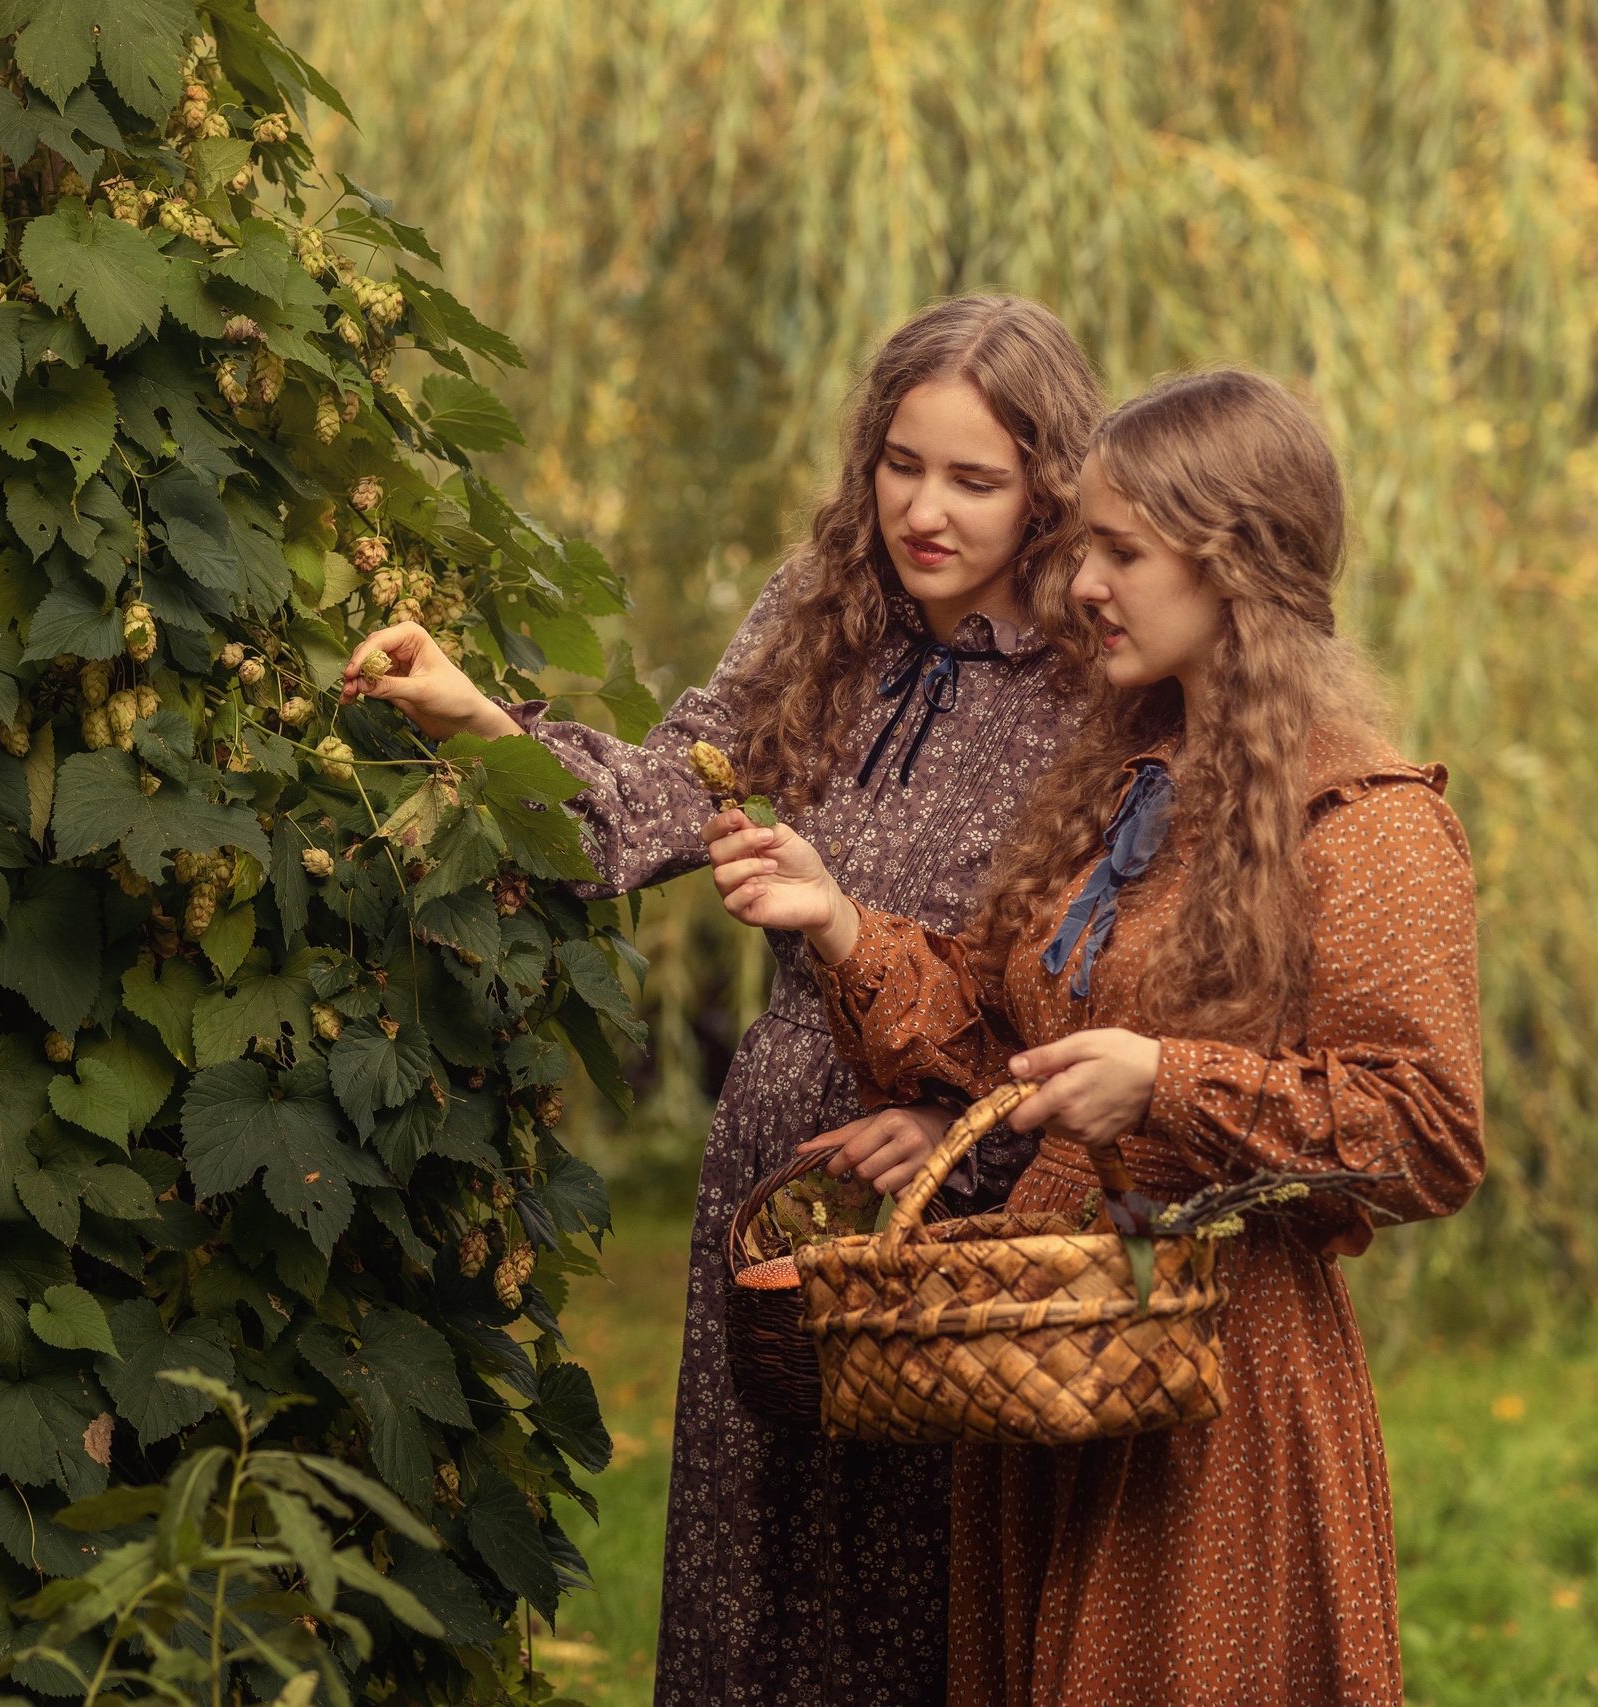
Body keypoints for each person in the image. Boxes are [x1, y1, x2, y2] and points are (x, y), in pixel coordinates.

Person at [341, 296, 1108, 1706]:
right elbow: (654, 807)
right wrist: (473, 721)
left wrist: (959, 1110)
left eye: (973, 480)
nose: (922, 509)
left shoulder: (1094, 688)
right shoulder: (824, 615)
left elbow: (1102, 974)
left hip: (965, 1199)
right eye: (900, 463)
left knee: (926, 1593)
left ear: (1049, 487)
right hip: (779, 1165)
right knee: (757, 1576)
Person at [706, 367, 1485, 1706]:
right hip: (1057, 1361)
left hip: (1213, 1387)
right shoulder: (1121, 773)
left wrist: (1166, 1088)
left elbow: (1423, 1132)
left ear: (1233, 563)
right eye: (1088, 551)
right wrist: (837, 922)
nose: (1081, 587)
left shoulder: (1364, 822)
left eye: (1123, 553)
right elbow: (1006, 1039)